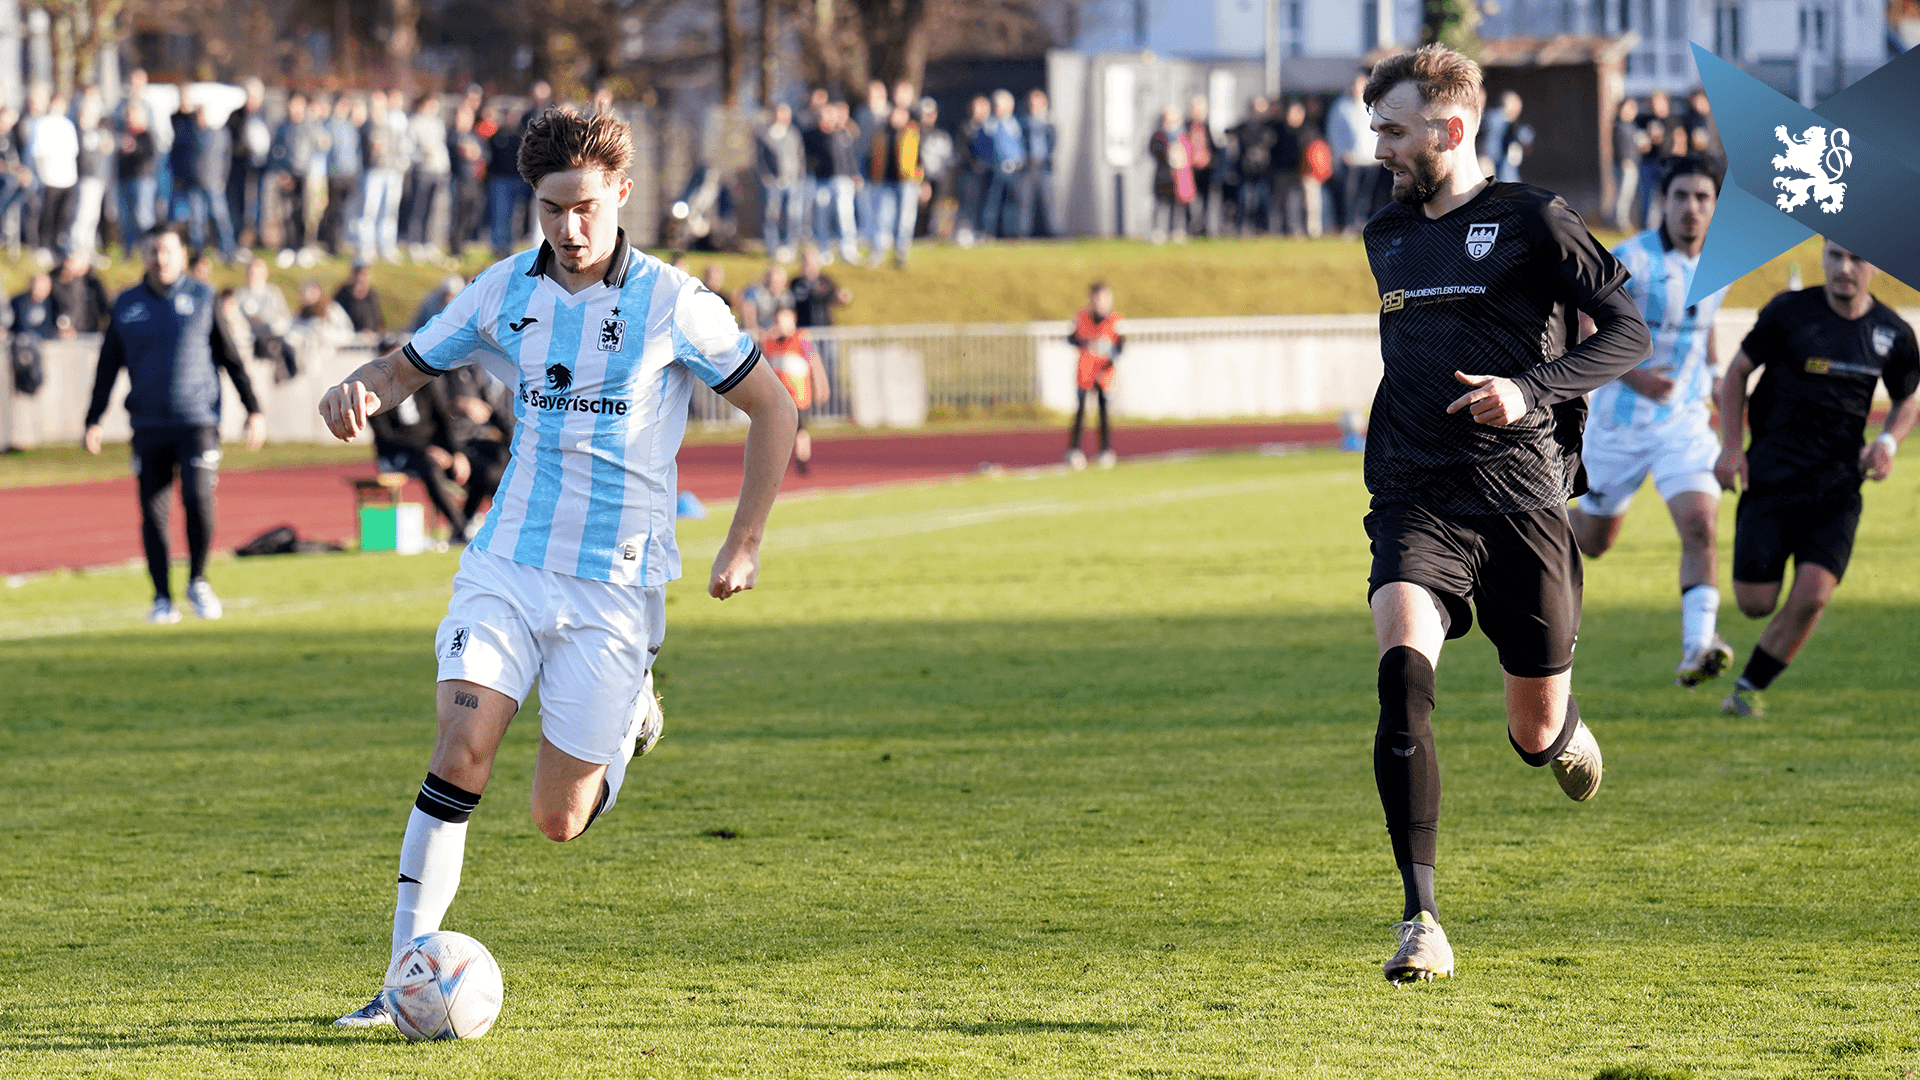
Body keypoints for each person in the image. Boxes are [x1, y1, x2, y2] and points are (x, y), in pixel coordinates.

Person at [321, 106, 795, 1027]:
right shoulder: (504, 291)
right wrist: (358, 392)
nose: (570, 230)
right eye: (550, 210)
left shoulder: (674, 303)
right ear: (530, 204)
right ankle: (396, 985)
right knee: (461, 746)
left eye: (585, 207)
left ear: (622, 192)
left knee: (558, 819)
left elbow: (774, 410)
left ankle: (631, 718)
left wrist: (745, 538)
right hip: (508, 562)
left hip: (615, 586)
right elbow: (402, 368)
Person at [1357, 45, 1651, 985]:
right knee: (1401, 677)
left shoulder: (1534, 220)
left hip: (1523, 503)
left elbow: (1628, 332)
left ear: (1450, 129)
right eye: (1375, 132)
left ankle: (1563, 732)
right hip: (1416, 496)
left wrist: (1528, 391)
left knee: (1532, 735)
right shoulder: (1386, 235)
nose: (1380, 151)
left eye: (1393, 131)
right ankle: (1422, 919)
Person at [1713, 241, 1919, 718]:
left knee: (1812, 595)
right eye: (1836, 256)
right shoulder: (1789, 312)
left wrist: (1886, 444)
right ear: (1823, 257)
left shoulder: (1893, 331)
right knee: (1755, 602)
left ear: (1874, 266)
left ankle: (1748, 688)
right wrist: (1730, 448)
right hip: (1773, 476)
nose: (1845, 268)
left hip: (1838, 485)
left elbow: (1907, 397)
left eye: (1857, 259)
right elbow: (1737, 373)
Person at [1569, 158, 1734, 687]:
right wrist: (1636, 377)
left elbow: (1703, 327)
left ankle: (1698, 646)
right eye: (1682, 195)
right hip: (1618, 428)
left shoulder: (1720, 264)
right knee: (1593, 543)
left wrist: (1708, 379)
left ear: (1715, 207)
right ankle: (1513, 544)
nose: (1692, 207)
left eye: (1703, 198)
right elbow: (1583, 327)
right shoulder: (1631, 258)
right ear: (1664, 200)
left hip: (1683, 425)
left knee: (1701, 527)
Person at [83, 223, 266, 624]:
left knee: (198, 499)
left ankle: (198, 580)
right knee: (153, 512)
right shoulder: (126, 304)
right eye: (152, 251)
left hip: (197, 419)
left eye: (166, 251)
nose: (159, 258)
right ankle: (162, 597)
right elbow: (107, 365)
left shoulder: (203, 297)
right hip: (148, 423)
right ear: (143, 255)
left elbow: (230, 357)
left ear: (182, 255)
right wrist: (93, 419)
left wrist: (253, 408)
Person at [369, 364, 470, 539]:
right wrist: (427, 451)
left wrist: (456, 453)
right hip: (398, 454)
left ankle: (473, 522)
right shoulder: (376, 394)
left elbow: (442, 418)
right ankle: (462, 529)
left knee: (481, 467)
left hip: (432, 452)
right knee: (429, 467)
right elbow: (386, 437)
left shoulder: (423, 385)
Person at [762, 304, 827, 473]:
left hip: (798, 394)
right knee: (777, 428)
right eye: (778, 320)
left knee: (799, 428)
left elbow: (815, 362)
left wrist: (821, 385)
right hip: (778, 395)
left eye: (785, 319)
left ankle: (802, 459)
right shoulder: (771, 342)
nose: (781, 324)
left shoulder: (801, 338)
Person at [1066, 281, 1124, 470]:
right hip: (1085, 370)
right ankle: (1074, 450)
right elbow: (1072, 338)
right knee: (1081, 411)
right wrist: (1086, 343)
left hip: (1105, 371)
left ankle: (1105, 451)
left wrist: (1108, 357)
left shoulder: (1115, 321)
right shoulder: (1081, 319)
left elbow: (1120, 347)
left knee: (1103, 411)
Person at [868, 104, 921, 268]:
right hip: (885, 181)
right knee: (883, 218)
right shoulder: (881, 133)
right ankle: (879, 251)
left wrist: (921, 179)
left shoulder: (913, 133)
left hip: (907, 181)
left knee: (905, 219)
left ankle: (901, 252)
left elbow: (921, 156)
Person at [268, 93, 316, 260]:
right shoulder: (282, 127)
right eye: (292, 104)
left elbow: (317, 148)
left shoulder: (309, 126)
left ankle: (302, 248)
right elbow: (275, 150)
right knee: (286, 212)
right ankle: (288, 246)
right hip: (287, 175)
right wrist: (281, 172)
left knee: (302, 212)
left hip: (304, 174)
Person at [756, 102, 806, 263]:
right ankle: (772, 246)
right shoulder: (765, 135)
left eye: (785, 114)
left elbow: (800, 156)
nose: (782, 117)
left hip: (792, 181)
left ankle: (789, 247)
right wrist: (766, 176)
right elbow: (760, 159)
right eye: (779, 113)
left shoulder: (793, 133)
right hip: (774, 182)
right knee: (772, 215)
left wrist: (800, 176)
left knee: (792, 216)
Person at [407, 94, 452, 261]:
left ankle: (429, 244)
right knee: (419, 208)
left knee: (433, 210)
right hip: (422, 171)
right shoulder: (414, 123)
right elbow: (408, 148)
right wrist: (421, 155)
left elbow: (441, 147)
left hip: (438, 172)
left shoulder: (438, 124)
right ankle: (415, 244)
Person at [1148, 107, 1192, 244]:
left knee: (1178, 206)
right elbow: (1154, 151)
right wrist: (1168, 153)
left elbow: (1189, 153)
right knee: (1161, 204)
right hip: (1163, 176)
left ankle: (1176, 230)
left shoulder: (1183, 135)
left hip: (1179, 177)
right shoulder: (1158, 135)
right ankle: (1159, 231)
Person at [1021, 89, 1056, 239]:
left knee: (1049, 202)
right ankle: (1022, 233)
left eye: (1039, 103)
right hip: (1029, 167)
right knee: (1025, 202)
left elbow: (1053, 144)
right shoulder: (1023, 124)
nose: (1036, 106)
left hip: (1044, 166)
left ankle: (1054, 232)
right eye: (1033, 103)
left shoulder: (1049, 124)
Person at [48, 252, 111, 335]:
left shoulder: (92, 282)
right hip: (61, 336)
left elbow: (105, 309)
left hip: (90, 334)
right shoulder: (53, 281)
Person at [1609, 98, 1642, 231]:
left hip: (1634, 164)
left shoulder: (1633, 126)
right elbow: (1618, 146)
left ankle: (1622, 221)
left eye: (1633, 108)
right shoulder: (1619, 126)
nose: (1630, 111)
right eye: (1628, 108)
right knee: (1623, 194)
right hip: (1625, 165)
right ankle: (1620, 222)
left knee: (1629, 194)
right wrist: (1624, 159)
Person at [334, 262, 385, 336]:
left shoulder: (371, 295)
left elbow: (378, 320)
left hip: (372, 337)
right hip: (351, 338)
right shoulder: (343, 293)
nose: (362, 278)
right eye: (360, 274)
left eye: (365, 275)